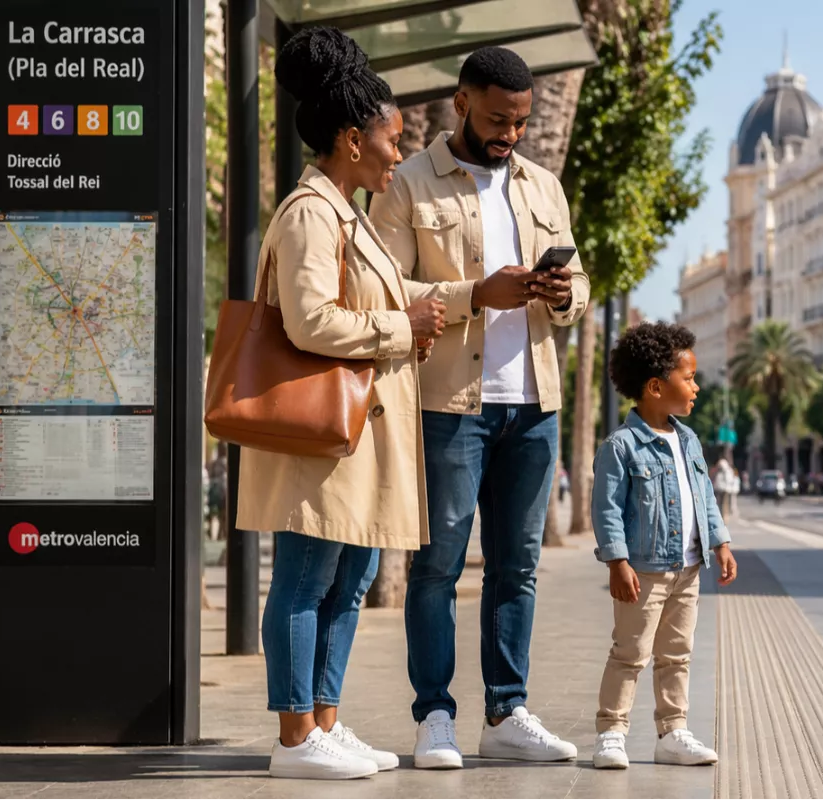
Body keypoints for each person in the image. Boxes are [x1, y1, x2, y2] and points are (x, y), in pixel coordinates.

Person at [236, 27, 451, 781]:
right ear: (352, 139)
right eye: (391, 140)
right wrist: (402, 325)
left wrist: (455, 301)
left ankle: (325, 720)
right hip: (320, 435)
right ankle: (295, 737)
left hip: (358, 439)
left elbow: (387, 300)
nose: (400, 154)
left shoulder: (347, 211)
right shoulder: (310, 213)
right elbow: (309, 321)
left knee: (349, 580)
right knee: (303, 579)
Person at [369, 45, 589, 767]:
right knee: (437, 566)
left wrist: (564, 296)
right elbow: (381, 290)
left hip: (533, 405)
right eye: (498, 119)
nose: (511, 134)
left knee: (517, 567)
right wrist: (472, 298)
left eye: (522, 121)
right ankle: (434, 714)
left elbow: (578, 282)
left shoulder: (543, 187)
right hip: (448, 405)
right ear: (462, 102)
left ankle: (507, 711)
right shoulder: (407, 184)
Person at [589, 322, 737, 770]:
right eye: (689, 378)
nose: (696, 386)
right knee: (630, 653)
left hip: (688, 569)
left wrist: (721, 542)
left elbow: (704, 496)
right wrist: (617, 561)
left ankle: (673, 732)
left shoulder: (689, 440)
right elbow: (607, 509)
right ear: (655, 387)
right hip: (645, 572)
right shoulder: (621, 446)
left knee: (677, 654)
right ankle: (611, 733)